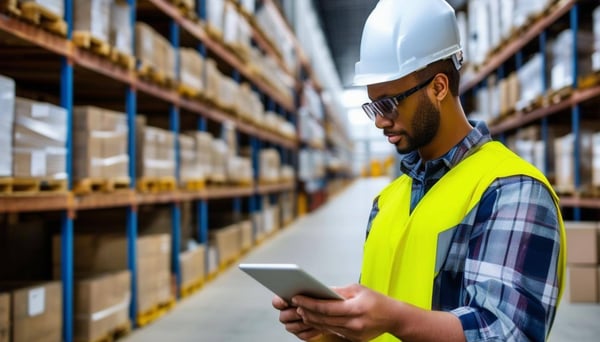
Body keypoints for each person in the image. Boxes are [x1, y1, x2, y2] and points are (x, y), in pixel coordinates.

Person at [272, 0, 566, 341]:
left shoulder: (511, 190)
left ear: (438, 87)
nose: (380, 120)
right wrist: (332, 329)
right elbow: (380, 325)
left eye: (388, 103)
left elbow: (508, 332)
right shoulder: (387, 201)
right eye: (372, 106)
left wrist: (394, 318)